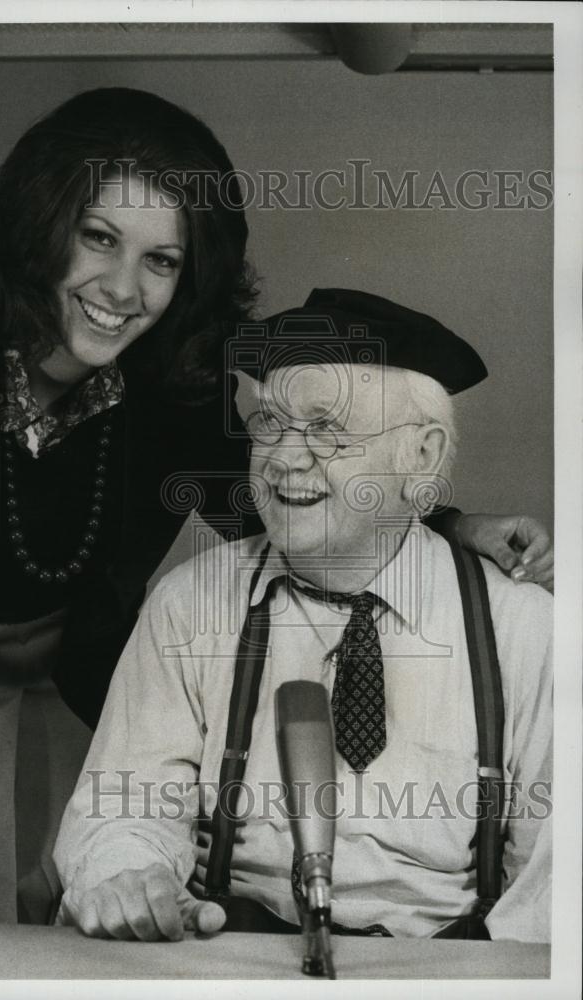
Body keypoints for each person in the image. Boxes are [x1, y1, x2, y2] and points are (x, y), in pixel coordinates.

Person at [0, 88, 551, 953]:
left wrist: (451, 523)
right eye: (98, 238)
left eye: (162, 261)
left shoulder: (168, 380)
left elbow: (304, 493)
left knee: (56, 919)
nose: (123, 291)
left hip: (71, 691)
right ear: (35, 221)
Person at [54, 289, 552, 945]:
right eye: (268, 425)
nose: (285, 458)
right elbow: (126, 806)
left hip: (445, 966)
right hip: (230, 953)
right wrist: (130, 878)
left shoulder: (523, 626)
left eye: (327, 429)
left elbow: (553, 884)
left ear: (422, 457)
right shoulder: (191, 605)